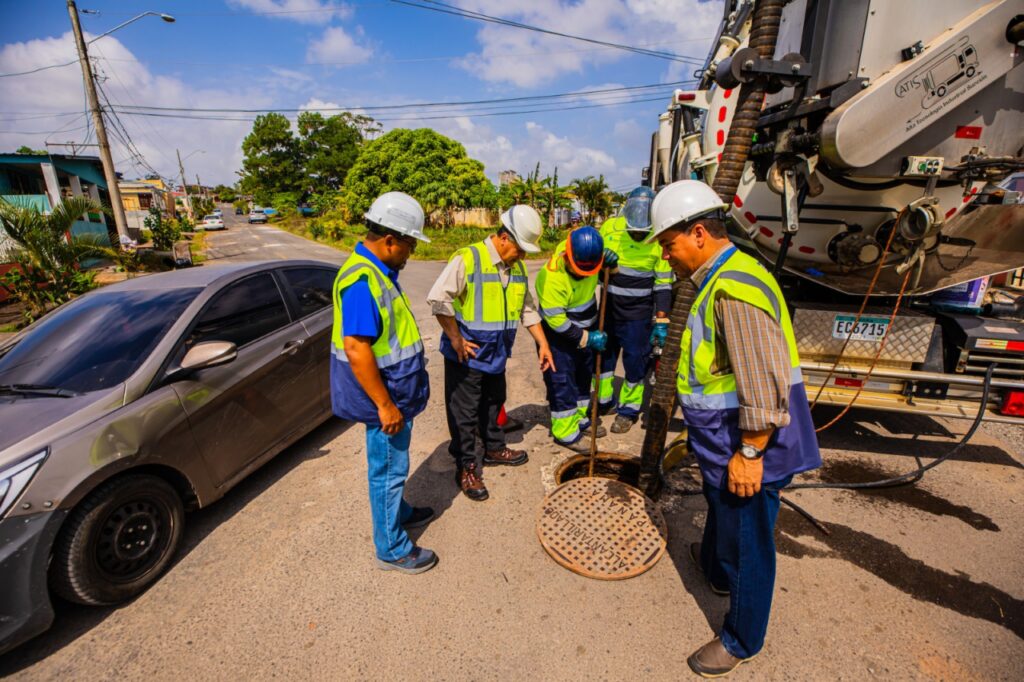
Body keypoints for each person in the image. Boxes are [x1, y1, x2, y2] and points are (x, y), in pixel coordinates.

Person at [647, 180, 822, 677]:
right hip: (722, 436)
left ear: (699, 233)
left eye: (668, 244)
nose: (666, 257)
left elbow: (762, 382)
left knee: (751, 541)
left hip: (746, 441)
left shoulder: (734, 288)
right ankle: (717, 572)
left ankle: (742, 638)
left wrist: (750, 454)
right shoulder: (718, 278)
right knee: (724, 514)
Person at [330, 191, 437, 575]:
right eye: (410, 244)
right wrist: (385, 405)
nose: (411, 253)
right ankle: (391, 547)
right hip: (385, 399)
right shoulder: (362, 281)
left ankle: (400, 511)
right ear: (390, 240)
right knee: (388, 470)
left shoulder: (376, 272)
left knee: (394, 463)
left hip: (394, 391)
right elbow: (357, 348)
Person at [427, 205, 555, 501]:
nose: (523, 256)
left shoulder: (517, 268)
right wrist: (455, 338)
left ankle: (494, 448)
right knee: (464, 414)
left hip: (496, 354)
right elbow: (438, 299)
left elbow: (527, 309)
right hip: (466, 355)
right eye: (520, 249)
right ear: (503, 237)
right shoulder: (468, 258)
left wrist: (543, 343)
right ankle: (467, 467)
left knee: (493, 403)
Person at [597, 186, 673, 433]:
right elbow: (591, 269)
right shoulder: (610, 228)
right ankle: (603, 401)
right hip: (608, 308)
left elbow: (662, 285)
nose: (637, 235)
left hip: (638, 315)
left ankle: (628, 409)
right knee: (603, 357)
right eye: (633, 231)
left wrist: (661, 322)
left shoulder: (660, 238)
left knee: (635, 363)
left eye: (642, 233)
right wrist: (601, 262)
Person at [535, 225, 615, 452]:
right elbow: (558, 323)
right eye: (579, 270)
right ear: (567, 256)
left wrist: (612, 262)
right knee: (562, 381)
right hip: (559, 336)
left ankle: (580, 419)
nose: (583, 274)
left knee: (582, 377)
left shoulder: (586, 251)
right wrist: (587, 338)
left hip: (587, 326)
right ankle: (566, 432)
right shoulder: (551, 277)